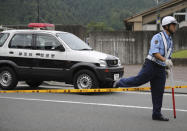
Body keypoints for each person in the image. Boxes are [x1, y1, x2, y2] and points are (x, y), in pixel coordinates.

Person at [113, 16, 178, 121]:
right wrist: (165, 60)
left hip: (161, 68)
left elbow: (167, 55)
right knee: (138, 80)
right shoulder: (157, 37)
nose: (175, 27)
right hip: (151, 65)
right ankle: (120, 82)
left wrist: (166, 66)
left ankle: (156, 114)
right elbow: (155, 52)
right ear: (166, 26)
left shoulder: (170, 40)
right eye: (173, 25)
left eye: (175, 25)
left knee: (159, 91)